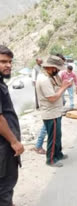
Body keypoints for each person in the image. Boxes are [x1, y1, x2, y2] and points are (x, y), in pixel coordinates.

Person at [36, 55, 72, 167]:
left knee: (58, 135)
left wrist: (65, 84)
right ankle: (50, 159)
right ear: (51, 67)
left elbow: (59, 86)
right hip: (50, 113)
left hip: (56, 111)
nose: (58, 71)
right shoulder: (44, 80)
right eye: (57, 69)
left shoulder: (52, 76)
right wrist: (64, 87)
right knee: (53, 137)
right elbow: (52, 98)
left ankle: (58, 154)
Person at [0, 45, 24, 206]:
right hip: (3, 147)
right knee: (5, 186)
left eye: (10, 61)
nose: (8, 65)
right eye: (2, 61)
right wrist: (14, 141)